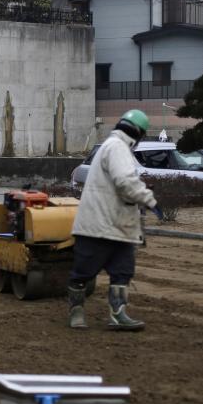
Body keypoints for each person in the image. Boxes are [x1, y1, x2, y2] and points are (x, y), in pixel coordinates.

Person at [67, 109, 163, 331]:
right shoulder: (118, 147)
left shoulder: (112, 145)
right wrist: (149, 199)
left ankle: (116, 314)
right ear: (138, 133)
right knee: (84, 272)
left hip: (115, 225)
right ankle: (77, 311)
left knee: (122, 270)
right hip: (100, 225)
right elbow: (126, 182)